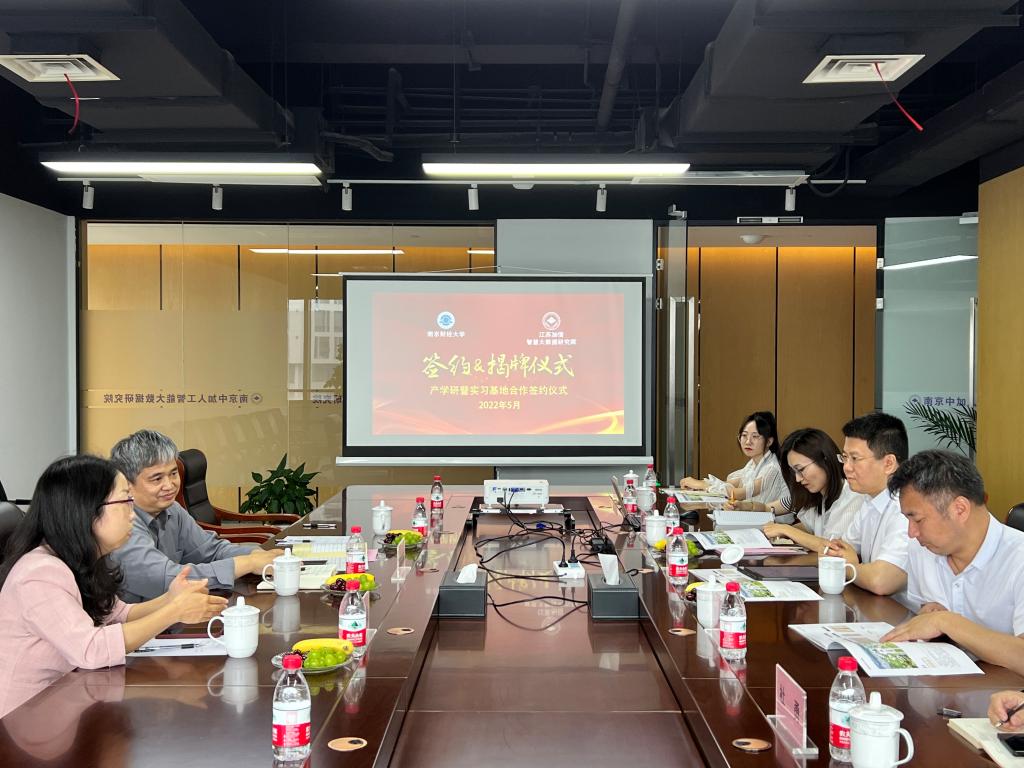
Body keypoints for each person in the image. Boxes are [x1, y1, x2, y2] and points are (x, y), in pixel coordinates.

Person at [0, 455, 227, 717]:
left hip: (67, 700)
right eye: (125, 501)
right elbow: (91, 650)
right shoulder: (39, 574)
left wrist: (170, 599)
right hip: (23, 721)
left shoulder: (81, 558)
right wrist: (174, 611)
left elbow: (118, 614)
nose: (133, 512)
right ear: (87, 510)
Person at [880, 450, 1024, 672]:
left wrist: (946, 622)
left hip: (1003, 690)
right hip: (945, 680)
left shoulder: (1018, 558)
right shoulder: (922, 548)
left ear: (960, 509)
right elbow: (925, 609)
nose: (911, 532)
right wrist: (929, 613)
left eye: (917, 519)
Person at [108, 429, 283, 602]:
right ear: (127, 483)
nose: (170, 485)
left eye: (173, 473)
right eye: (157, 479)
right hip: (140, 619)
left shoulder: (172, 509)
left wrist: (258, 555)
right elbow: (167, 580)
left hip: (176, 613)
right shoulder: (120, 524)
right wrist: (248, 563)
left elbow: (211, 550)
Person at [821, 412, 910, 596]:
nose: (846, 467)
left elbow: (880, 581)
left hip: (905, 611)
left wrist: (849, 565)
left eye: (855, 458)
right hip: (876, 606)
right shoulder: (869, 500)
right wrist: (852, 565)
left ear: (889, 463)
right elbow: (835, 551)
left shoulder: (906, 508)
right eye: (844, 457)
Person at [761, 428, 865, 551]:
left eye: (801, 469)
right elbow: (808, 527)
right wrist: (776, 531)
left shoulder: (853, 497)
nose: (798, 479)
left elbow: (833, 548)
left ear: (825, 459)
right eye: (794, 472)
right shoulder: (820, 495)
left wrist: (786, 530)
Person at [679, 411, 786, 508]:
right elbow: (729, 484)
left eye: (755, 436)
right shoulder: (752, 464)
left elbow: (737, 494)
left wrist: (703, 485)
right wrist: (698, 489)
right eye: (744, 435)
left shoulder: (772, 468)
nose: (748, 441)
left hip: (773, 522)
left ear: (769, 441)